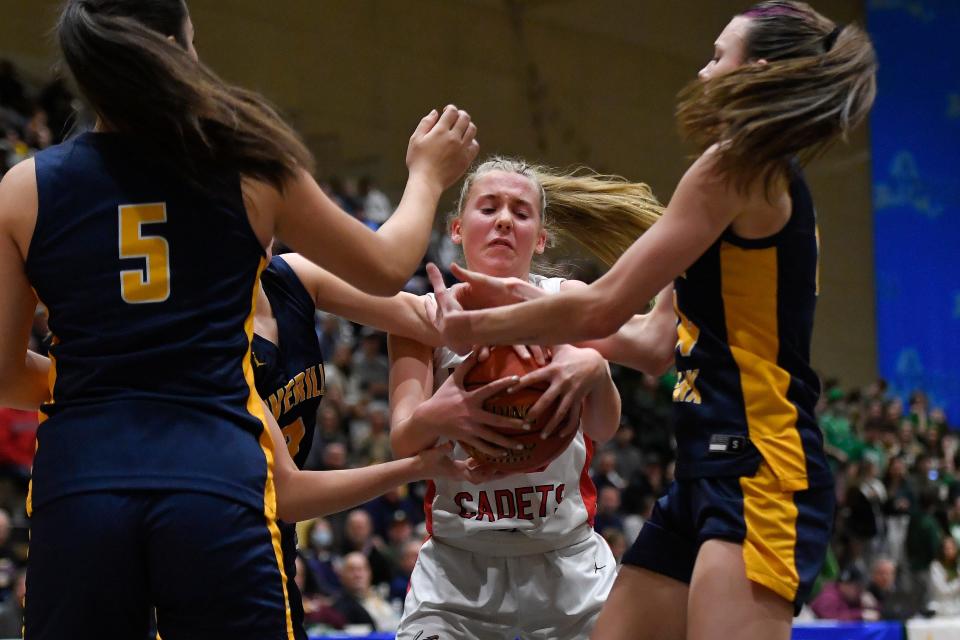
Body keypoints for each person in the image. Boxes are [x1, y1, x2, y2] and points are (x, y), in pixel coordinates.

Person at [0, 1, 478, 638]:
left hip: (81, 484)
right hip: (216, 479)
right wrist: (426, 175)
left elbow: (4, 375)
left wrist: (97, 380)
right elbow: (389, 263)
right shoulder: (247, 167)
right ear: (173, 52)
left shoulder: (26, 187)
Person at [427, 3, 876, 639]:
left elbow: (604, 304)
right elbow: (652, 340)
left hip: (760, 466)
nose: (704, 67)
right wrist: (522, 302)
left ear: (759, 72)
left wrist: (479, 325)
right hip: (702, 470)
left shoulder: (736, 166)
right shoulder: (750, 175)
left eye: (720, 55)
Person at [389, 156, 675, 639]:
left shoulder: (566, 299)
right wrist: (443, 412)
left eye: (521, 212)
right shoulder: (423, 315)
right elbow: (403, 441)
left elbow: (603, 428)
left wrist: (596, 369)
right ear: (457, 228)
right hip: (458, 572)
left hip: (567, 565)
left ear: (540, 238)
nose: (504, 219)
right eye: (489, 207)